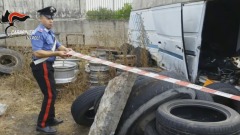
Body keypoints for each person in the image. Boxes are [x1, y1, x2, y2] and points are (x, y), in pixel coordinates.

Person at [30, 6, 72, 134]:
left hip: (48, 66)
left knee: (52, 93)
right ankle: (42, 124)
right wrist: (57, 54)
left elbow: (57, 45)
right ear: (41, 18)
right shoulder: (38, 33)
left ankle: (51, 118)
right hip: (41, 66)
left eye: (52, 18)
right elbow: (37, 53)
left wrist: (65, 49)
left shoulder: (49, 32)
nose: (51, 21)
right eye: (48, 18)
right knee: (49, 95)